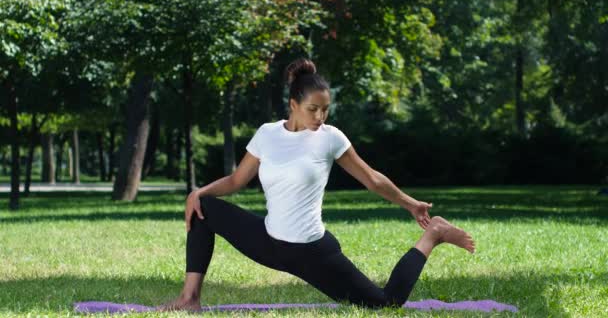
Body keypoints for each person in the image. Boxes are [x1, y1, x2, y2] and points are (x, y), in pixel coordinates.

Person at [158, 58, 475, 312]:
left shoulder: (330, 138)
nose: (320, 116)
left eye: (325, 109)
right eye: (313, 109)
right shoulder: (267, 134)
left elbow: (372, 179)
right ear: (294, 103)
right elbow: (237, 180)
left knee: (386, 303)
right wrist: (198, 192)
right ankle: (190, 298)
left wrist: (411, 203)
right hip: (269, 241)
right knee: (205, 208)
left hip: (311, 251)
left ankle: (434, 234)